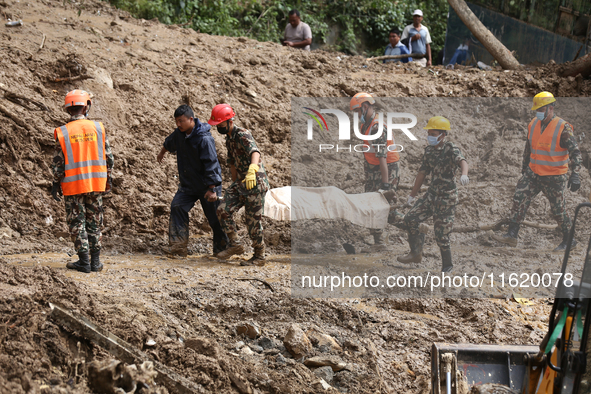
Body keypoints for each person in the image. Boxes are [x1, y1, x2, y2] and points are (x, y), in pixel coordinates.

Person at [492, 92, 583, 251]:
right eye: (537, 109)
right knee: (520, 197)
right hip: (533, 173)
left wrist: (575, 174)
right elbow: (529, 148)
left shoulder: (563, 128)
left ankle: (569, 240)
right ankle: (512, 234)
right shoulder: (533, 123)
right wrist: (524, 168)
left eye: (542, 108)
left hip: (554, 177)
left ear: (551, 108)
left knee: (558, 211)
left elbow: (575, 152)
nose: (539, 112)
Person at [51, 89, 114, 273]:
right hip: (96, 184)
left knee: (77, 222)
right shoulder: (98, 128)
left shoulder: (62, 132)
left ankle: (84, 261)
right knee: (94, 221)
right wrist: (108, 179)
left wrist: (56, 183)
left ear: (68, 109)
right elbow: (109, 159)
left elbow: (58, 163)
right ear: (87, 106)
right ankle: (95, 262)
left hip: (73, 185)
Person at [398, 116, 469, 272]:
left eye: (433, 133)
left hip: (446, 199)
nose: (430, 136)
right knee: (410, 218)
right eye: (429, 133)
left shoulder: (450, 148)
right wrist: (412, 195)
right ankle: (416, 253)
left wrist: (464, 174)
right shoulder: (429, 151)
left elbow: (462, 161)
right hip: (431, 196)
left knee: (441, 235)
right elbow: (422, 173)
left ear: (442, 135)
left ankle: (447, 267)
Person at [157, 104, 228, 257]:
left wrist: (211, 188)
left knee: (215, 216)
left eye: (181, 121)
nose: (178, 124)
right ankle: (178, 248)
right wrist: (162, 152)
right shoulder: (180, 133)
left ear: (191, 119)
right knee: (177, 206)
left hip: (207, 184)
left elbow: (211, 163)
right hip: (188, 184)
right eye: (176, 121)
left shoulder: (204, 139)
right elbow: (170, 141)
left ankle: (222, 249)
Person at [207, 104, 270, 266]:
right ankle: (235, 244)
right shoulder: (229, 139)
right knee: (222, 209)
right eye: (217, 126)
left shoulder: (243, 134)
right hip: (241, 183)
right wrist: (233, 185)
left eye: (220, 125)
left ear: (229, 121)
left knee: (252, 222)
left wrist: (252, 170)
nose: (219, 128)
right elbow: (232, 164)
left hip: (255, 183)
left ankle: (260, 256)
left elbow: (255, 152)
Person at [350, 93, 402, 249]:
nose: (356, 115)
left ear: (365, 107)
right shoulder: (365, 125)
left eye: (357, 111)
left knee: (388, 211)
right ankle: (379, 242)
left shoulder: (377, 128)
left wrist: (385, 185)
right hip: (373, 169)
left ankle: (414, 228)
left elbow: (382, 158)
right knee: (370, 205)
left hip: (387, 169)